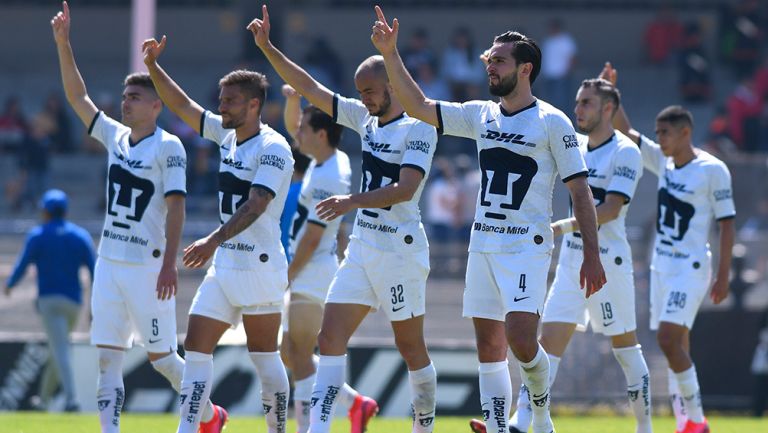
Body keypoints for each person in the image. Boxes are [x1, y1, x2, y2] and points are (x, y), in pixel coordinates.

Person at [371, 7, 606, 433]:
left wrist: (592, 254)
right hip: (483, 242)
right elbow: (420, 106)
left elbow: (580, 192)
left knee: (520, 339)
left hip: (526, 246)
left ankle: (539, 415)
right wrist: (390, 54)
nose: (490, 67)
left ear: (526, 68)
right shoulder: (481, 113)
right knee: (488, 344)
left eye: (499, 61)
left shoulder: (554, 122)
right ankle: (501, 429)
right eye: (489, 60)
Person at [248, 6, 438, 433]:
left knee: (411, 348)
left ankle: (423, 425)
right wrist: (268, 48)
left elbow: (406, 189)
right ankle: (319, 428)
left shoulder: (420, 128)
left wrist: (351, 202)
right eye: (361, 92)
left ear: (392, 85)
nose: (365, 98)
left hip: (401, 251)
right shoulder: (364, 119)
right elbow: (310, 88)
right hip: (363, 248)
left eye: (371, 90)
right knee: (329, 339)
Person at [50, 4, 222, 432]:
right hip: (109, 261)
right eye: (125, 97)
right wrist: (63, 44)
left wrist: (170, 265)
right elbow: (77, 97)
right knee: (108, 354)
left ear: (156, 105)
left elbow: (177, 205)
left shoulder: (170, 148)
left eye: (135, 97)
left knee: (162, 358)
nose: (125, 103)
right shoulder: (114, 136)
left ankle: (209, 414)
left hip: (149, 265)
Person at [472, 78, 652, 433]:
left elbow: (612, 208)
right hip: (573, 260)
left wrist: (560, 226)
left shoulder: (626, 151)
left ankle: (645, 427)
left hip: (608, 261)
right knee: (545, 346)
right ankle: (522, 423)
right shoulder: (575, 145)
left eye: (586, 102)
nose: (578, 109)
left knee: (625, 349)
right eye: (578, 101)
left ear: (608, 109)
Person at [142, 32, 294, 433]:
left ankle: (278, 428)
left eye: (230, 101)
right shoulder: (227, 135)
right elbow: (183, 105)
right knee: (195, 346)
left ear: (254, 104)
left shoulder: (274, 148)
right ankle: (191, 428)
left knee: (264, 357)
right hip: (225, 264)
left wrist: (212, 240)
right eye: (222, 100)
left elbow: (257, 203)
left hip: (259, 264)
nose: (221, 106)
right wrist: (154, 67)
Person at [603, 62, 736, 433]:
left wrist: (723, 275)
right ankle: (684, 422)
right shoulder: (665, 163)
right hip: (662, 266)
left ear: (685, 132)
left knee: (666, 339)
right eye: (658, 133)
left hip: (691, 267)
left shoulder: (713, 170)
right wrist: (614, 95)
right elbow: (627, 134)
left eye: (665, 133)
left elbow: (727, 224)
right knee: (678, 345)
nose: (659, 139)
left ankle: (697, 421)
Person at [280, 88, 375, 433]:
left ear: (320, 134)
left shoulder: (329, 176)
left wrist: (287, 275)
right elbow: (295, 128)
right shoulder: (328, 159)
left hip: (313, 269)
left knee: (300, 354)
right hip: (309, 267)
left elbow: (313, 236)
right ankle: (354, 403)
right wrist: (294, 100)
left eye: (304, 128)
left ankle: (311, 427)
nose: (297, 133)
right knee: (289, 353)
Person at [5, 189, 95, 412]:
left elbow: (22, 264)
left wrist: (10, 285)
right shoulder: (80, 236)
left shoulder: (38, 235)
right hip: (74, 303)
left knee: (60, 349)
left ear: (46, 211)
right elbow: (95, 271)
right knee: (59, 348)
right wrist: (95, 304)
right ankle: (43, 400)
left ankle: (72, 400)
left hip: (49, 302)